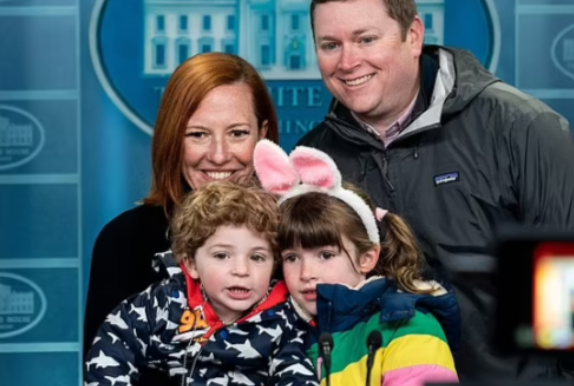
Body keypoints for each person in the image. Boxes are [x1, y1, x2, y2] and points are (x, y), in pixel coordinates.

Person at [297, 0, 574, 380]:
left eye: (366, 39)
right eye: (330, 45)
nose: (348, 61)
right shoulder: (316, 159)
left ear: (413, 36)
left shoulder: (520, 128)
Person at [83, 53, 281, 374]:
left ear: (263, 134)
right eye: (198, 134)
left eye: (237, 133)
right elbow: (103, 367)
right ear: (173, 139)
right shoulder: (124, 242)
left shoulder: (295, 237)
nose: (219, 155)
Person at [253, 139, 459, 386]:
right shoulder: (273, 334)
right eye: (292, 258)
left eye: (326, 255)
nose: (306, 273)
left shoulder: (407, 325)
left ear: (367, 258)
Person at [84, 181, 317, 386]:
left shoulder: (285, 320)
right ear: (192, 264)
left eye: (257, 257)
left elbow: (297, 374)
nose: (241, 270)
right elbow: (114, 344)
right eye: (222, 256)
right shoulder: (165, 303)